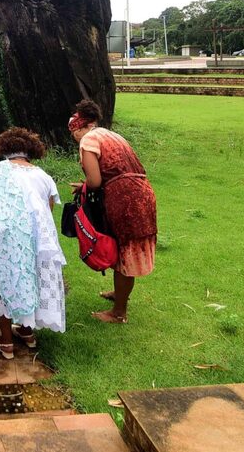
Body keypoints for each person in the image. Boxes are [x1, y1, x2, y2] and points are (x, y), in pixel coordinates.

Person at [0, 128, 66, 359]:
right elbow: (48, 210)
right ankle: (27, 332)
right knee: (31, 279)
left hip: (1, 238)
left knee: (1, 282)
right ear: (30, 151)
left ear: (4, 149)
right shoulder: (43, 176)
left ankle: (6, 341)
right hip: (35, 241)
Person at [67, 99, 157, 324]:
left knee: (126, 253)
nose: (74, 139)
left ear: (79, 128)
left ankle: (119, 313)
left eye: (73, 134)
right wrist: (86, 185)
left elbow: (95, 181)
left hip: (125, 200)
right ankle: (120, 295)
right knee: (125, 248)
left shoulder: (88, 140)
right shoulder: (110, 134)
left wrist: (86, 186)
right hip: (141, 193)